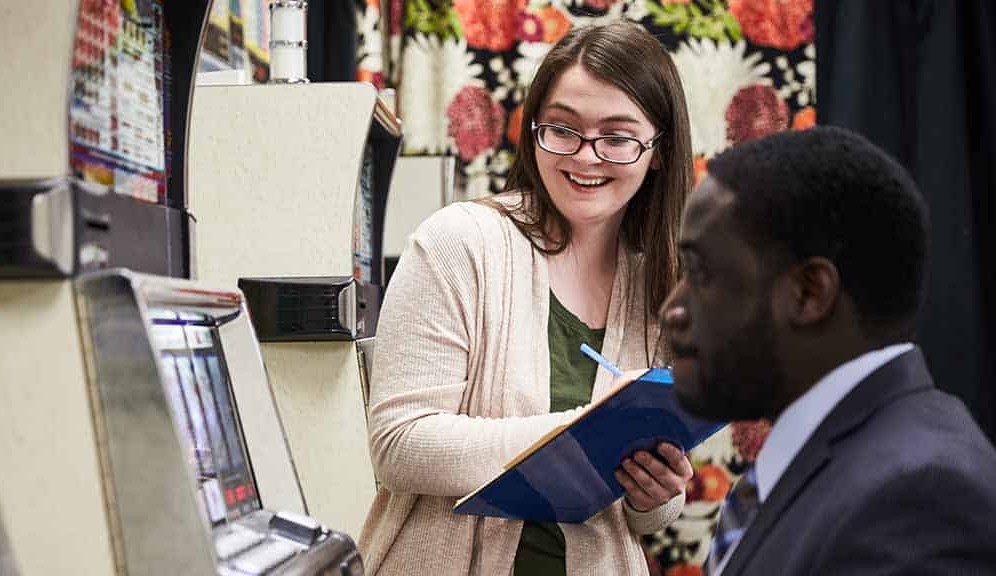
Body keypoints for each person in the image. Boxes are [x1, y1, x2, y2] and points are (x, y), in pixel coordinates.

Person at [361, 22, 695, 575]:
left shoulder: (660, 283)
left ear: (657, 151)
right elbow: (400, 445)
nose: (586, 157)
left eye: (617, 137)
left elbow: (646, 520)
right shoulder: (459, 243)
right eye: (562, 129)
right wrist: (581, 434)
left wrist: (655, 493)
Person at [661, 126, 996, 575]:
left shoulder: (917, 499)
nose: (672, 310)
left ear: (808, 293)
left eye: (701, 274)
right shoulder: (850, 456)